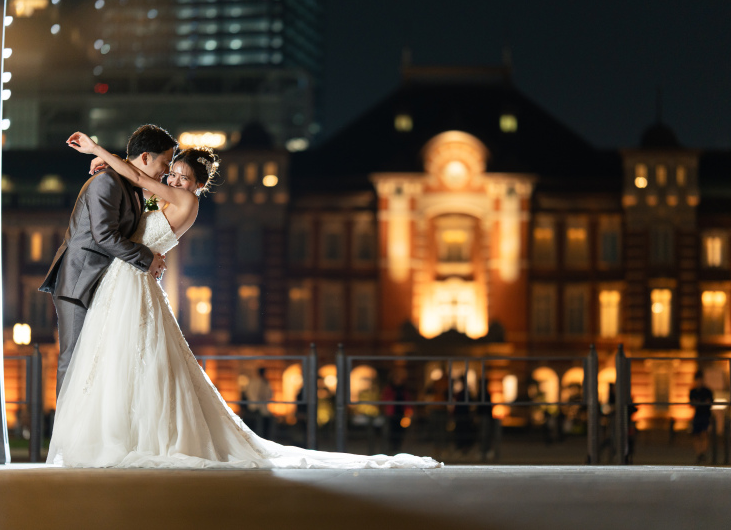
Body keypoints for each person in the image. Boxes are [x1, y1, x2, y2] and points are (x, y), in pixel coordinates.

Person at [46, 132, 441, 470]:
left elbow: (135, 176)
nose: (174, 179)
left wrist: (98, 151)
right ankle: (119, 431)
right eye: (173, 173)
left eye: (182, 176)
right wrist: (109, 170)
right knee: (125, 358)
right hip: (127, 279)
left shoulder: (185, 201)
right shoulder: (163, 199)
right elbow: (137, 198)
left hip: (135, 279)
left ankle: (133, 436)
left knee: (139, 357)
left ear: (198, 185)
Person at [39, 125, 172, 398]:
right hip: (79, 282)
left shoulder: (133, 188)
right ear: (145, 157)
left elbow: (149, 211)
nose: (166, 171)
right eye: (164, 163)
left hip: (102, 283)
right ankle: (63, 436)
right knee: (73, 359)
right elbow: (104, 237)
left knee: (95, 361)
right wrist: (147, 260)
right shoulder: (106, 182)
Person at [689, 370, 713, 464]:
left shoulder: (707, 391)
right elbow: (692, 403)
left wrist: (699, 403)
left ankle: (702, 453)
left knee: (704, 434)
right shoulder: (693, 391)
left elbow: (710, 403)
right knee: (696, 435)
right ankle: (700, 454)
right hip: (698, 415)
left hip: (705, 415)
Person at [246, 367, 273, 438]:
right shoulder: (264, 382)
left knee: (255, 429)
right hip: (260, 409)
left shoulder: (254, 382)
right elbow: (269, 394)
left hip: (255, 408)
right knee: (260, 429)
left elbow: (248, 393)